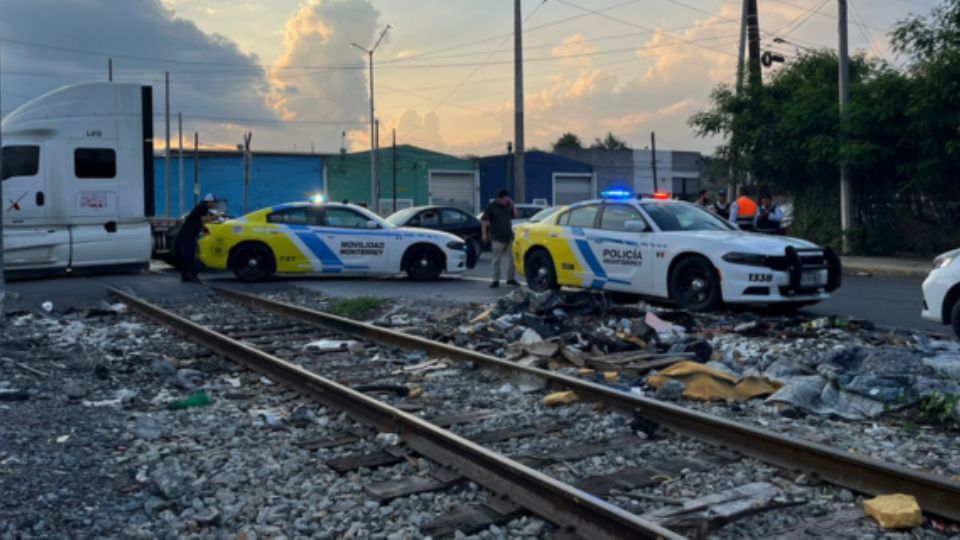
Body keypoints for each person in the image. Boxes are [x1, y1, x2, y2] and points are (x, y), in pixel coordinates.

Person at [176, 193, 219, 283]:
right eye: (214, 202)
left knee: (186, 256)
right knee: (190, 256)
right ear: (209, 202)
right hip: (187, 234)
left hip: (186, 234)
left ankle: (185, 276)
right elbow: (202, 219)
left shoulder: (203, 207)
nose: (214, 204)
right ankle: (193, 276)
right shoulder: (202, 207)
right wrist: (215, 217)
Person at [481, 188, 519, 288]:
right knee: (496, 260)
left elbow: (515, 215)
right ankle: (495, 280)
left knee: (513, 258)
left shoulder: (507, 206)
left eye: (507, 199)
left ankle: (510, 278)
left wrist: (513, 205)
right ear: (499, 198)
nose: (506, 201)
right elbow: (484, 221)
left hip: (509, 236)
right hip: (497, 237)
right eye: (505, 199)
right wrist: (484, 234)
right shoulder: (491, 207)